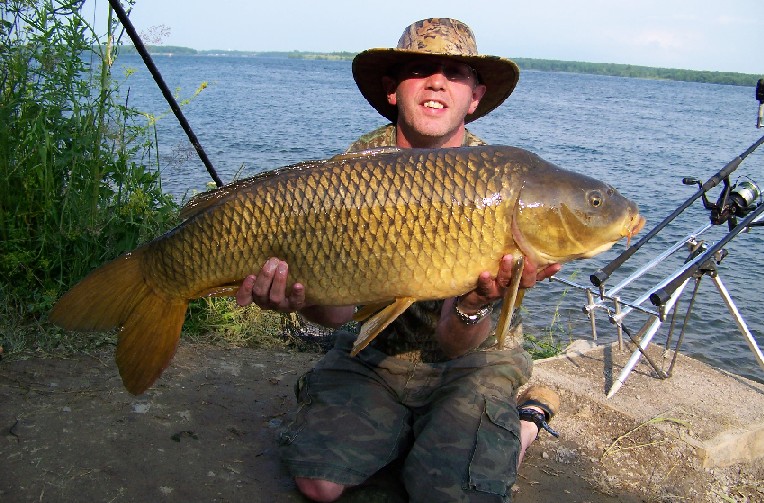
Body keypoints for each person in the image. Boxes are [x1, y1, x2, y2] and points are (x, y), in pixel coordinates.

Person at [236, 18, 562, 502]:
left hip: (472, 358)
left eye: (455, 72)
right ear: (392, 90)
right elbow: (337, 315)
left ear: (474, 98)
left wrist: (475, 303)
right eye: (420, 69)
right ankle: (424, 436)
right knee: (318, 483)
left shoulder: (503, 180)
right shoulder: (353, 170)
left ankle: (525, 422)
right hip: (377, 357)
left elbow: (458, 342)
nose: (436, 82)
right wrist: (300, 298)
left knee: (453, 493)